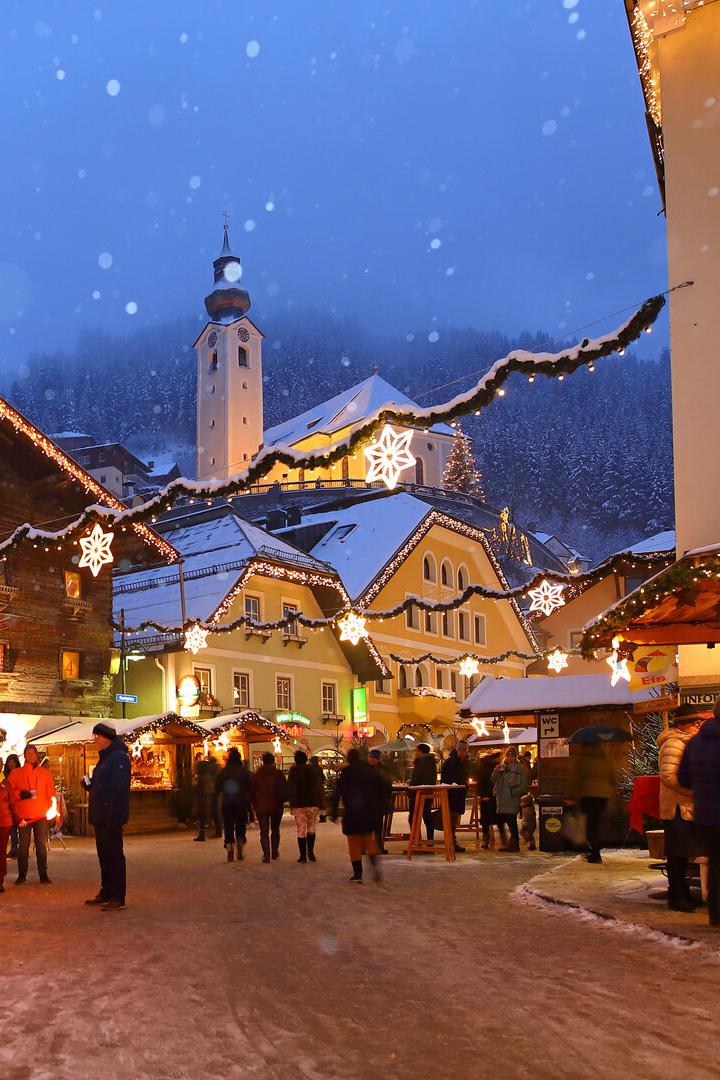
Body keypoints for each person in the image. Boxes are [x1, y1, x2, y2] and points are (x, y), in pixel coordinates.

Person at [658, 703, 708, 912]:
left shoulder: (685, 741)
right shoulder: (674, 743)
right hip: (676, 806)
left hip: (684, 805)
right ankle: (676, 895)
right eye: (698, 724)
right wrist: (692, 792)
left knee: (683, 852)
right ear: (690, 724)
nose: (700, 728)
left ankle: (682, 893)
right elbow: (669, 777)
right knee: (677, 854)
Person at [678, 700, 720, 927]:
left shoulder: (694, 742)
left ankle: (716, 913)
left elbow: (683, 779)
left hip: (704, 817)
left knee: (716, 863)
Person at [83, 722, 131, 910]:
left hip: (111, 816)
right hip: (102, 815)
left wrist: (113, 815)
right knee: (104, 855)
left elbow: (118, 790)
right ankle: (106, 891)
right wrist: (89, 785)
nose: (94, 739)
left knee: (114, 855)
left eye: (97, 736)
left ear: (106, 737)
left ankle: (117, 896)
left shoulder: (118, 757)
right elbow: (101, 786)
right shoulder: (106, 757)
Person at [331, 748, 386, 883]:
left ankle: (358, 874)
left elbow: (337, 792)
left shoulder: (346, 772)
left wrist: (333, 812)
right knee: (369, 840)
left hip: (352, 811)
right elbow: (382, 789)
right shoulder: (371, 771)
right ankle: (374, 866)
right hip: (369, 811)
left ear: (349, 759)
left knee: (353, 842)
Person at [8, 743, 57, 885]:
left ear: (36, 755)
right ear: (24, 756)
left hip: (41, 815)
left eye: (33, 753)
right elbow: (9, 793)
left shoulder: (45, 774)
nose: (30, 756)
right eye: (28, 753)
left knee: (41, 846)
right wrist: (21, 794)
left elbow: (51, 794)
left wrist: (52, 811)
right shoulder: (16, 774)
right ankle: (22, 875)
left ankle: (43, 874)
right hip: (24, 816)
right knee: (23, 847)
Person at [568, 742, 617, 864]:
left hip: (587, 795)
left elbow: (574, 779)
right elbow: (613, 779)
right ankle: (595, 850)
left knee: (589, 824)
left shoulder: (581, 761)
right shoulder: (606, 761)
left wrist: (571, 796)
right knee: (595, 822)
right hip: (603, 797)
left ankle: (595, 852)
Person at [287, 750, 324, 863]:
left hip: (299, 804)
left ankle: (303, 856)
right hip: (312, 803)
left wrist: (291, 804)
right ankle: (311, 853)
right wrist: (320, 803)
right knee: (311, 828)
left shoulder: (293, 771)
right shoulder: (312, 770)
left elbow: (291, 789)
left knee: (301, 830)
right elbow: (318, 787)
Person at [216, 747, 251, 862]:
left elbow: (218, 787)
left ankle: (230, 849)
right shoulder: (243, 771)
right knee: (240, 825)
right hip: (241, 803)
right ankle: (240, 842)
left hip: (227, 803)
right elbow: (249, 786)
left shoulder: (224, 771)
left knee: (228, 826)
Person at [251, 751, 287, 863]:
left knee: (264, 831)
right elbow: (284, 791)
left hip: (261, 807)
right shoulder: (279, 774)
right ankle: (274, 853)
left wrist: (254, 804)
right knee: (275, 830)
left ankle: (266, 855)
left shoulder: (257, 775)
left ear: (263, 761)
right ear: (273, 761)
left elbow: (252, 791)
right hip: (276, 806)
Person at [491, 747, 528, 853]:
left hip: (511, 799)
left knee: (511, 821)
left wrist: (513, 792)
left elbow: (524, 784)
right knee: (505, 820)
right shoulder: (501, 767)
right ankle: (511, 843)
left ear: (515, 757)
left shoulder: (519, 768)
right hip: (501, 799)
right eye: (508, 756)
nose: (510, 758)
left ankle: (514, 843)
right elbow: (493, 780)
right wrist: (496, 771)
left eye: (512, 756)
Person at [441, 741, 470, 852]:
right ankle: (451, 842)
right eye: (461, 750)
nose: (463, 753)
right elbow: (445, 780)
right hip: (451, 795)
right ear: (457, 750)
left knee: (454, 820)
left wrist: (465, 785)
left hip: (459, 795)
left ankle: (452, 841)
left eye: (464, 750)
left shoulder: (464, 762)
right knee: (451, 820)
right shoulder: (450, 763)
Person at [408, 743, 437, 843]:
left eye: (416, 751)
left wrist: (410, 790)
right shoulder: (431, 762)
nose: (415, 753)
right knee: (427, 818)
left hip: (418, 794)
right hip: (428, 794)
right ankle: (430, 842)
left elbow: (417, 779)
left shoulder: (421, 762)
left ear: (420, 751)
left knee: (413, 819)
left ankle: (417, 842)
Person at [475, 752, 502, 849]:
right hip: (488, 796)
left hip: (493, 796)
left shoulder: (493, 766)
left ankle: (492, 839)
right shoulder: (487, 767)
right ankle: (487, 840)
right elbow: (482, 782)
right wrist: (484, 794)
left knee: (495, 817)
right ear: (495, 758)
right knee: (488, 818)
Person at [368, 748, 393, 853]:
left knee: (378, 826)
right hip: (369, 802)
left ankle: (378, 847)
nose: (372, 759)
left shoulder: (383, 769)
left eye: (374, 758)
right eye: (371, 757)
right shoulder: (366, 769)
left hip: (378, 802)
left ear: (378, 759)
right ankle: (367, 847)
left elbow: (387, 785)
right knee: (368, 826)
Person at [193, 752, 221, 841]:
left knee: (202, 813)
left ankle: (202, 834)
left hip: (205, 795)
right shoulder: (215, 771)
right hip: (214, 793)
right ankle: (218, 831)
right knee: (215, 812)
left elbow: (198, 786)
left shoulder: (202, 776)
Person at [3, 753, 20, 858]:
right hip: (9, 805)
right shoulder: (5, 775)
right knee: (13, 828)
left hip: (20, 804)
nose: (11, 763)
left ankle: (22, 850)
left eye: (13, 761)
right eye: (10, 761)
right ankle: (14, 849)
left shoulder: (20, 774)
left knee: (22, 830)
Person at [0, 770, 12, 893]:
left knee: (1, 852)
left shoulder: (6, 784)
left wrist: (19, 818)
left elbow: (12, 803)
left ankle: (0, 880)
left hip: (3, 823)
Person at [309, 756, 327, 822]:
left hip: (312, 789)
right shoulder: (319, 768)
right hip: (320, 788)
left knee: (313, 804)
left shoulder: (310, 769)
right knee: (322, 804)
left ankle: (313, 817)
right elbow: (323, 778)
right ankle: (323, 817)